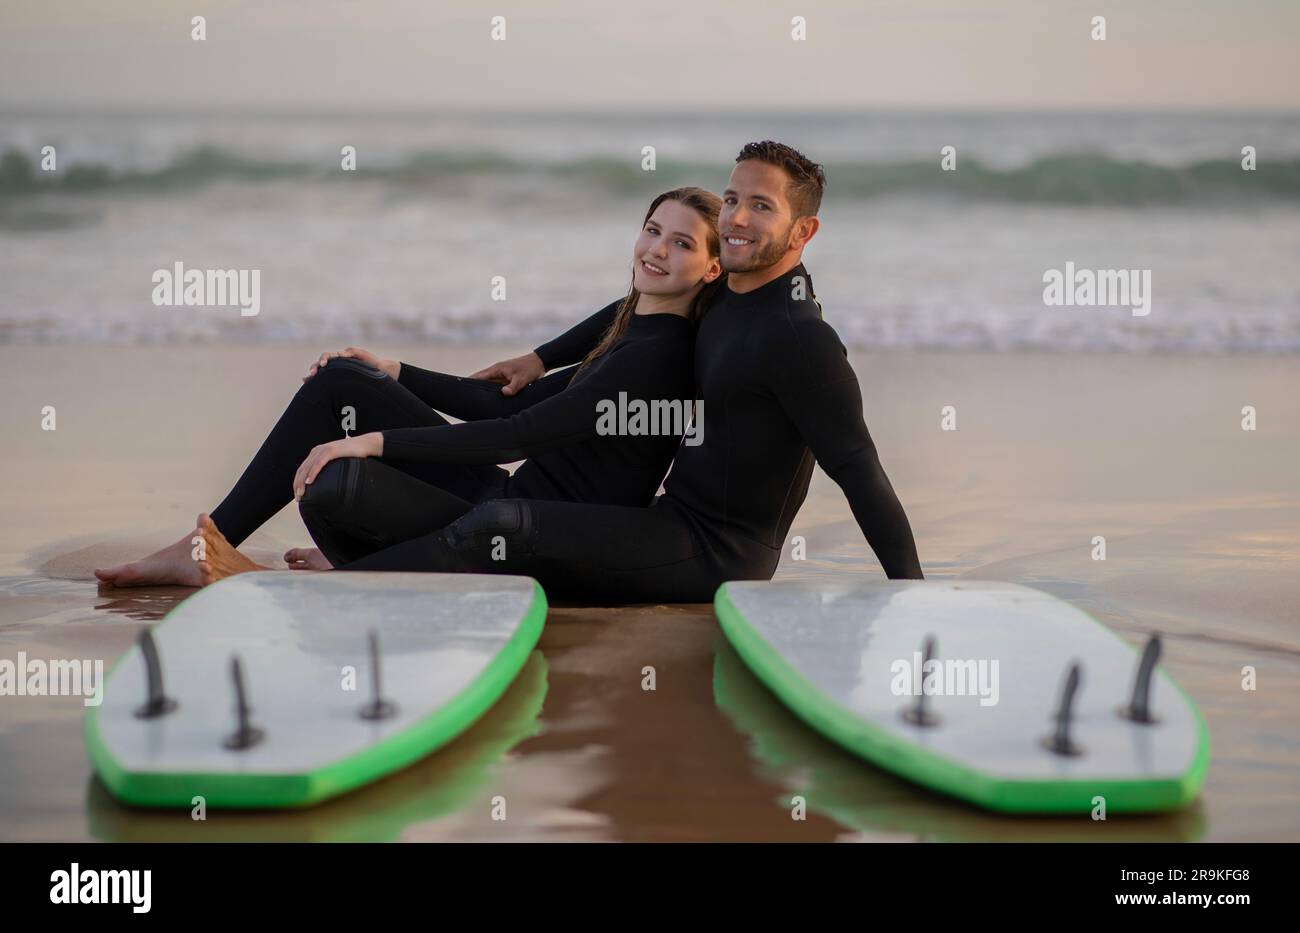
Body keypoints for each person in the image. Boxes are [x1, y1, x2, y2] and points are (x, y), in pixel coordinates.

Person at [300, 141, 924, 603]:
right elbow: (638, 305)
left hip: (719, 557)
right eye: (732, 198)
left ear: (803, 230)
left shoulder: (801, 340)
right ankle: (376, 571)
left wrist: (913, 599)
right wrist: (545, 356)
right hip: (666, 520)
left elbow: (860, 471)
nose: (735, 217)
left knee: (501, 524)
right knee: (497, 518)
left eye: (761, 206)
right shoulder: (728, 294)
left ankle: (348, 585)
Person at [94, 187, 724, 586]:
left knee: (338, 479)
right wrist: (394, 370)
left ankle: (261, 564)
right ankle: (209, 545)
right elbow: (496, 402)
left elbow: (512, 435)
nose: (657, 249)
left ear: (711, 267)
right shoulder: (632, 330)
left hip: (528, 527)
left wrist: (373, 443)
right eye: (652, 229)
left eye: (682, 243)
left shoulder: (655, 358)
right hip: (502, 496)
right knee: (346, 378)